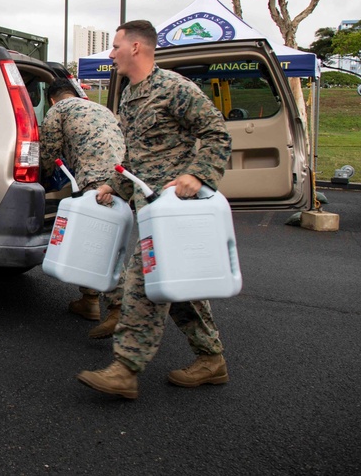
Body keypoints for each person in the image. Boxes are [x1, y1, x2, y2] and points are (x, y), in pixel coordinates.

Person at [76, 20, 232, 400]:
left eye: (115, 46)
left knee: (141, 285)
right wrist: (116, 185)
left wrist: (197, 174)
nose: (110, 54)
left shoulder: (174, 88)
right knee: (177, 286)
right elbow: (137, 158)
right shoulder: (130, 95)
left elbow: (217, 134)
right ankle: (211, 360)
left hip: (174, 209)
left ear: (136, 48)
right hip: (150, 211)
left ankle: (125, 370)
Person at [39, 72, 126, 336]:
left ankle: (119, 309)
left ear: (52, 99)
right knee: (98, 238)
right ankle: (89, 302)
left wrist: (41, 180)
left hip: (96, 181)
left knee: (99, 244)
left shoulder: (59, 110)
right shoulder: (100, 108)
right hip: (122, 178)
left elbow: (48, 152)